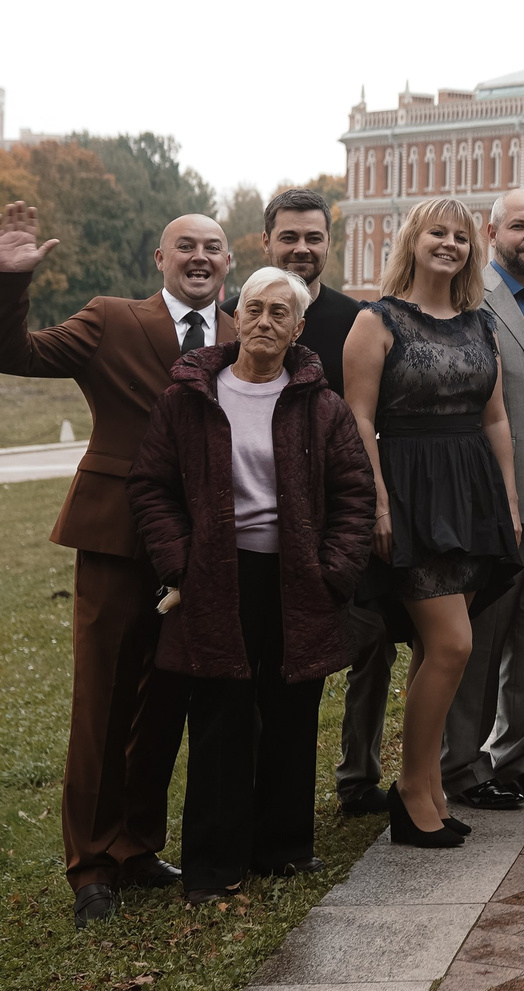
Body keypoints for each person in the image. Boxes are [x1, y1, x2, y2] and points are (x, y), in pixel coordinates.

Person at [0, 200, 235, 927]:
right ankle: (90, 866)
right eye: (183, 245)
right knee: (102, 704)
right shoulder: (112, 318)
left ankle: (136, 846)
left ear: (228, 263)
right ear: (159, 259)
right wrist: (9, 280)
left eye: (212, 247)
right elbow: (16, 355)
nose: (198, 257)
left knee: (163, 704)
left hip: (199, 547)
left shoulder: (241, 332)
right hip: (116, 537)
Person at [128, 268, 374, 903]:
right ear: (235, 319)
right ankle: (213, 864)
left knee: (292, 711)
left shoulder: (321, 404)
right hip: (215, 576)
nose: (265, 322)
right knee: (220, 718)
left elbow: (353, 496)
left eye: (280, 313)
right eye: (254, 310)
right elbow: (152, 486)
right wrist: (180, 564)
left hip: (299, 578)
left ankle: (284, 848)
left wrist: (334, 572)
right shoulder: (190, 396)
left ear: (298, 328)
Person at [342, 197, 524, 848]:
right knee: (453, 645)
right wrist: (380, 502)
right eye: (436, 233)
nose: (449, 243)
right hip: (413, 488)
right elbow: (358, 419)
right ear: (413, 242)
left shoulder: (479, 323)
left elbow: (496, 417)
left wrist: (506, 498)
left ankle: (428, 784)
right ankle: (411, 791)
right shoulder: (378, 320)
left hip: (471, 488)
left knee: (433, 649)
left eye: (460, 235)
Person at [436, 190, 524, 815]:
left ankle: (518, 759)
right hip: (491, 506)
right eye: (519, 225)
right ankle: (460, 767)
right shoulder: (469, 302)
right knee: (480, 642)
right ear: (492, 232)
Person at [262, 188, 362, 393]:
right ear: (266, 242)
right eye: (289, 238)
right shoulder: (233, 317)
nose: (301, 249)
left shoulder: (356, 322)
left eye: (314, 238)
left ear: (328, 243)